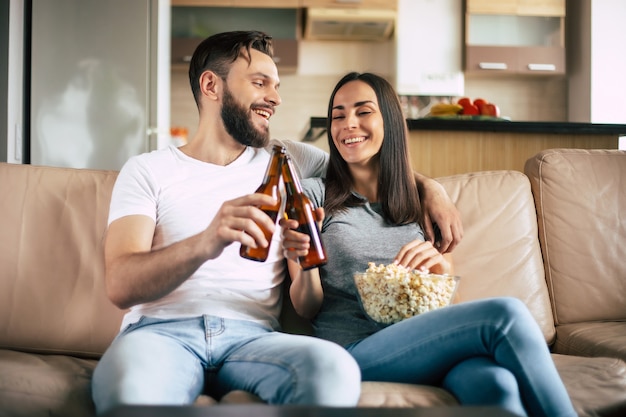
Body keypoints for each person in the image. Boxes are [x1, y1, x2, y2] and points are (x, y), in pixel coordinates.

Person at [91, 32, 462, 414]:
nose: (276, 98)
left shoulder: (288, 159)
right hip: (161, 332)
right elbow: (120, 284)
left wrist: (431, 189)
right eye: (259, 83)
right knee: (130, 394)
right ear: (210, 85)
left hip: (253, 340)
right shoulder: (148, 170)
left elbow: (365, 163)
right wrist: (206, 241)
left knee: (333, 370)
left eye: (277, 85)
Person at [281, 72, 577, 417]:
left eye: (363, 112)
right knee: (506, 315)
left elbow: (441, 306)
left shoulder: (418, 201)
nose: (348, 124)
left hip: (422, 341)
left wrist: (440, 270)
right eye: (338, 115)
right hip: (352, 348)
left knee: (496, 383)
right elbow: (306, 307)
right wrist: (302, 260)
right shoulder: (312, 196)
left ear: (389, 121)